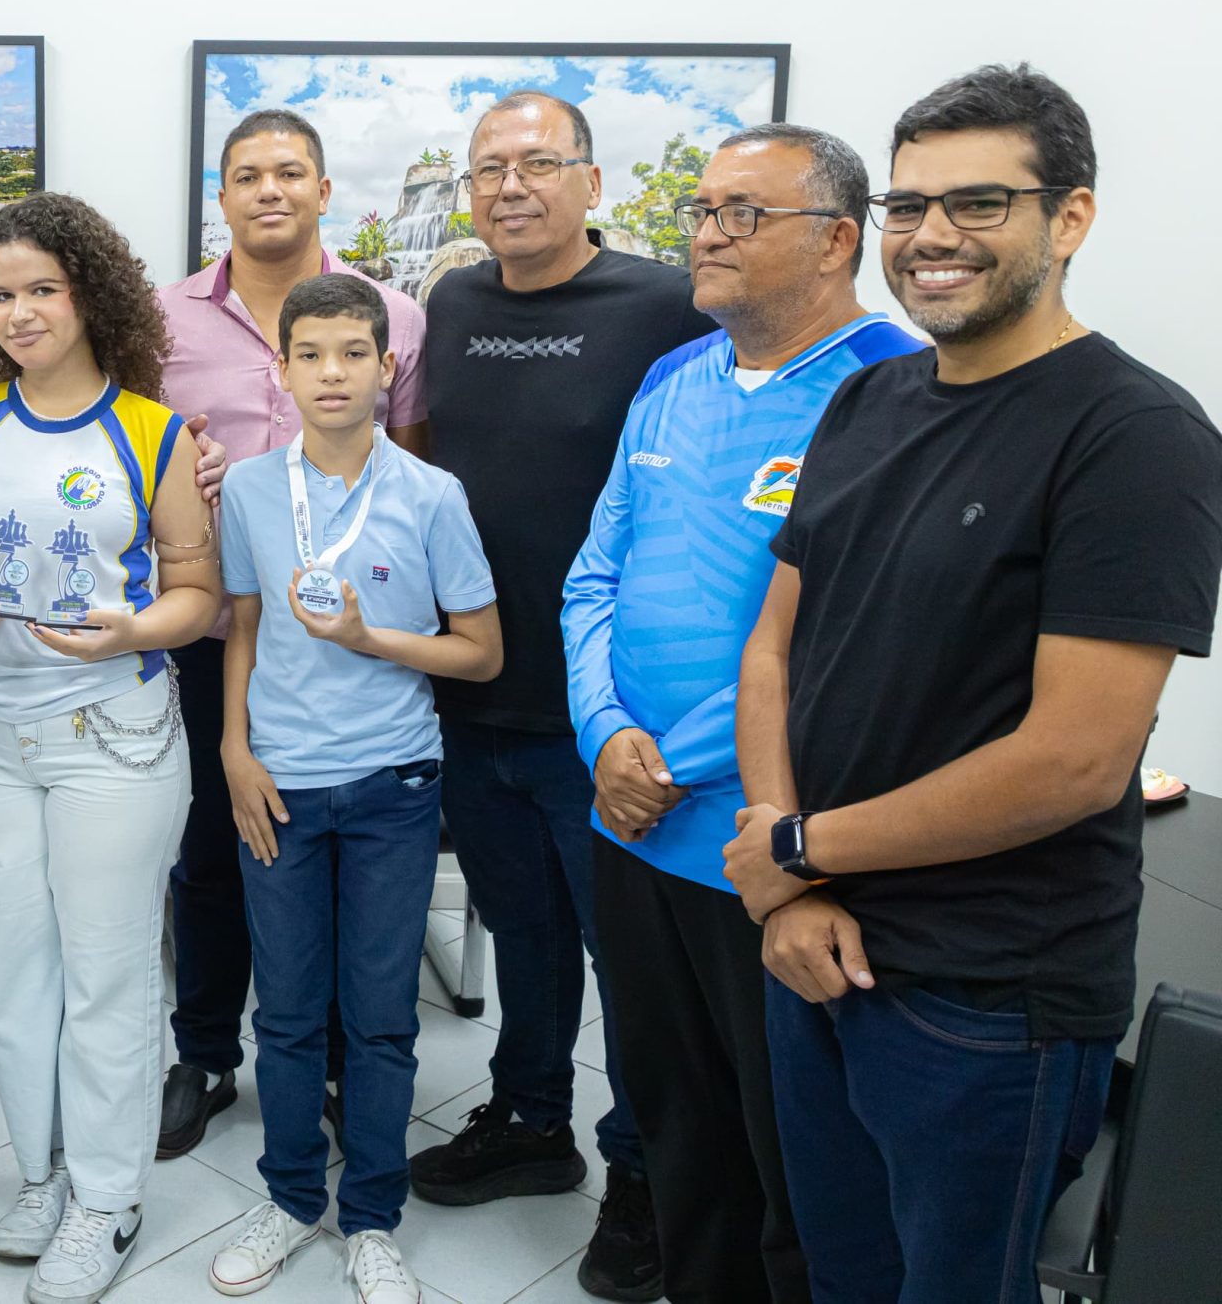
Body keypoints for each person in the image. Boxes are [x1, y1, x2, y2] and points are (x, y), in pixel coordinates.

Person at [724, 65, 1222, 1302]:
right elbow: (775, 645)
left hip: (982, 1000)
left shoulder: (1135, 437)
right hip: (814, 946)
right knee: (837, 1277)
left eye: (979, 202)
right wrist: (788, 881)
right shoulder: (867, 398)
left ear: (1071, 217)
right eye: (907, 205)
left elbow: (1073, 762)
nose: (931, 235)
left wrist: (795, 849)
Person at [563, 125, 914, 1304]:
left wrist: (667, 762)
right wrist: (604, 735)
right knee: (676, 1130)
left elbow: (844, 638)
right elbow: (592, 574)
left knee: (793, 1162)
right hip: (627, 826)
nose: (705, 234)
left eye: (740, 214)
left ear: (835, 240)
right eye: (702, 210)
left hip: (766, 846)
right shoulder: (672, 377)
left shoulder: (893, 389)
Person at [409, 91, 708, 1303]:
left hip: (608, 713)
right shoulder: (452, 304)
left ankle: (644, 1172)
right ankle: (532, 1122)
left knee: (629, 962)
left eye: (537, 163)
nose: (510, 186)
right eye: (488, 169)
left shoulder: (666, 306)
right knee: (522, 936)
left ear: (591, 180)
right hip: (474, 690)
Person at [0, 192, 222, 1304]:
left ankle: (108, 1197)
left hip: (114, 734)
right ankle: (41, 1173)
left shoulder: (151, 430)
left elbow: (196, 591)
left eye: (42, 288)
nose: (21, 312)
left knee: (106, 970)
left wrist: (132, 630)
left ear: (90, 295)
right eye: (1, 294)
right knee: (14, 964)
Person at [203, 273, 499, 1304]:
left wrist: (372, 637)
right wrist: (235, 749)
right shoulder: (250, 488)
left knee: (379, 1018)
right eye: (310, 354)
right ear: (282, 371)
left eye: (353, 353)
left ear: (387, 367)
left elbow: (482, 653)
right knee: (286, 1014)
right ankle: (290, 1200)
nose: (332, 373)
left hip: (391, 785)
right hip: (278, 787)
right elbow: (242, 624)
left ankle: (371, 1216)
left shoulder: (431, 495)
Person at [155, 107, 429, 1160]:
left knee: (342, 860)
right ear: (220, 196)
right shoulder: (162, 318)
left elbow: (412, 463)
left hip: (350, 643)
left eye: (289, 172)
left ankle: (338, 1061)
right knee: (210, 849)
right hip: (212, 629)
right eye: (246, 175)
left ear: (323, 190)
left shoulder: (394, 315)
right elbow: (135, 463)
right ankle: (204, 1051)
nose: (268, 190)